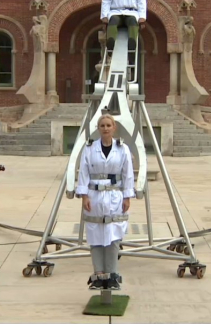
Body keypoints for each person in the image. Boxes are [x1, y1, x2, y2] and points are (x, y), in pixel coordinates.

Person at [76, 114, 135, 290]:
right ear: (98, 128)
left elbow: (128, 174)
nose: (106, 128)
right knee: (95, 237)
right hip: (94, 196)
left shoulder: (123, 148)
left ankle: (112, 275)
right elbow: (83, 172)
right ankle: (98, 275)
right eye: (102, 125)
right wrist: (84, 195)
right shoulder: (89, 148)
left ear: (114, 127)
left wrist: (127, 196)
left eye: (109, 125)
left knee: (113, 236)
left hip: (115, 196)